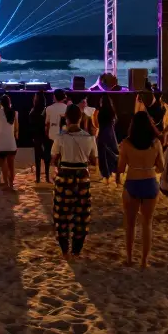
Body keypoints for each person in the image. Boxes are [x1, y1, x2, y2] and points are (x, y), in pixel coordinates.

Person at [51, 104, 97, 261]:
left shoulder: (60, 137)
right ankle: (77, 251)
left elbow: (54, 159)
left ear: (67, 119)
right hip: (82, 178)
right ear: (80, 118)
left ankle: (65, 251)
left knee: (61, 215)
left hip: (64, 177)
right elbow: (94, 161)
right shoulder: (89, 138)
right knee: (82, 216)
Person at [118, 112, 163, 268]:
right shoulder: (156, 143)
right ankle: (144, 260)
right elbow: (161, 167)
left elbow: (121, 167)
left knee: (130, 224)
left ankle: (130, 258)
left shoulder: (126, 143)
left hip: (132, 182)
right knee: (147, 223)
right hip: (150, 182)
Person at [0, 94, 20, 192]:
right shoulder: (15, 113)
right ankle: (11, 184)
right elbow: (16, 128)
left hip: (0, 141)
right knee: (11, 165)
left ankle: (6, 184)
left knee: (3, 163)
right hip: (11, 142)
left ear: (1, 103)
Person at [95, 95, 120, 184]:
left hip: (103, 134)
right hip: (111, 134)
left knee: (103, 156)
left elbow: (98, 124)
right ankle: (115, 174)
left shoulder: (100, 112)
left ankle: (106, 176)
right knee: (112, 154)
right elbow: (115, 122)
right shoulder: (112, 111)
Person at [29, 92, 52, 183]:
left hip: (37, 135)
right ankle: (46, 177)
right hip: (46, 135)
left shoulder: (33, 110)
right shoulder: (46, 109)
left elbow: (31, 124)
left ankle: (38, 178)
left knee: (37, 157)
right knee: (47, 157)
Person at [44, 89, 70, 162]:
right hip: (64, 135)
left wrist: (46, 133)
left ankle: (52, 168)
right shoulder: (67, 108)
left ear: (54, 96)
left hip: (52, 135)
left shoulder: (49, 108)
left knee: (53, 155)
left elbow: (47, 123)